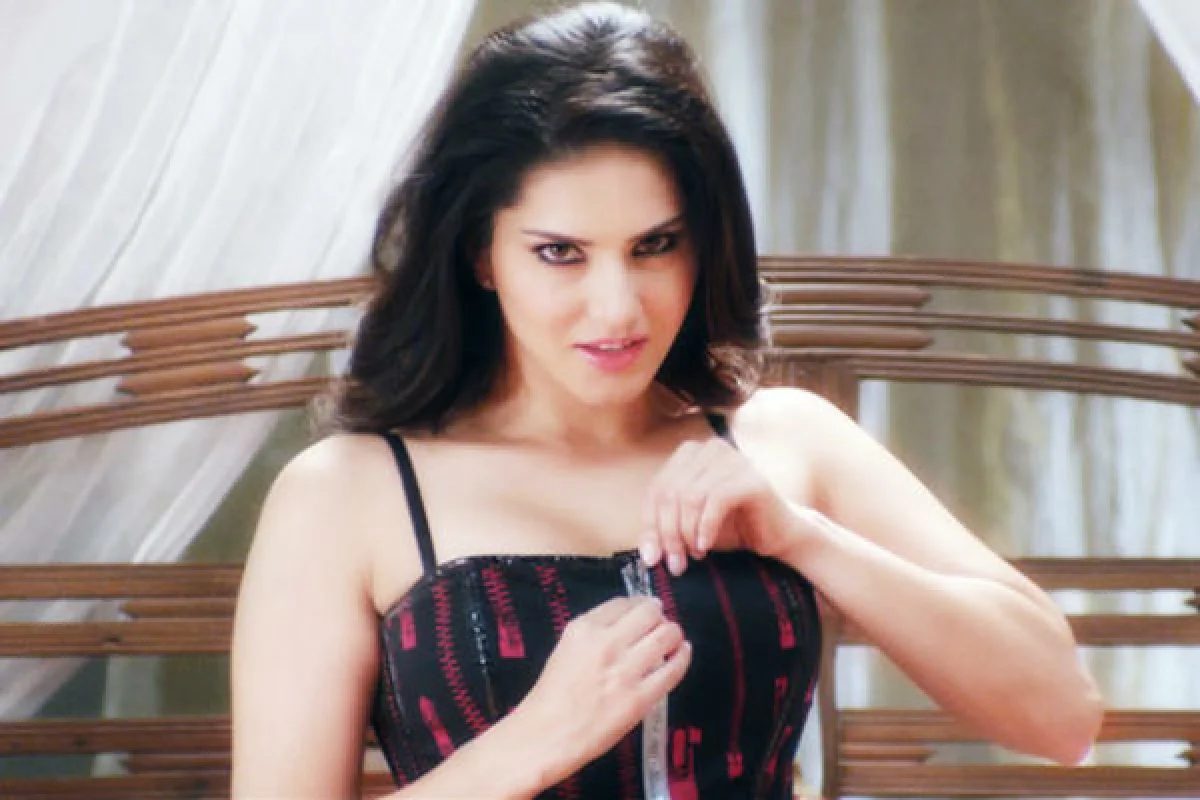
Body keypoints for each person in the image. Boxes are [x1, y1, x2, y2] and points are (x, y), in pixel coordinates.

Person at [230, 3, 1104, 798]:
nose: (617, 308)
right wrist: (528, 744)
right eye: (561, 253)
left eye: (654, 245)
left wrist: (800, 537)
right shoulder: (345, 494)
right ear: (480, 255)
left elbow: (1063, 716)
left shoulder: (784, 441)